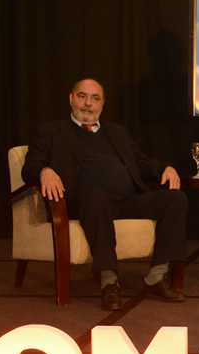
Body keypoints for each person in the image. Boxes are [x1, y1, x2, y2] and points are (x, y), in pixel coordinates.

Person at [21, 79, 188, 310]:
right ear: (71, 99)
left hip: (126, 201)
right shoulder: (50, 131)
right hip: (83, 202)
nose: (88, 103)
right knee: (96, 196)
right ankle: (109, 283)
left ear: (102, 104)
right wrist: (44, 170)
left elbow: (140, 162)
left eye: (95, 98)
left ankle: (156, 278)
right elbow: (29, 166)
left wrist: (163, 168)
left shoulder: (118, 131)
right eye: (82, 96)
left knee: (175, 198)